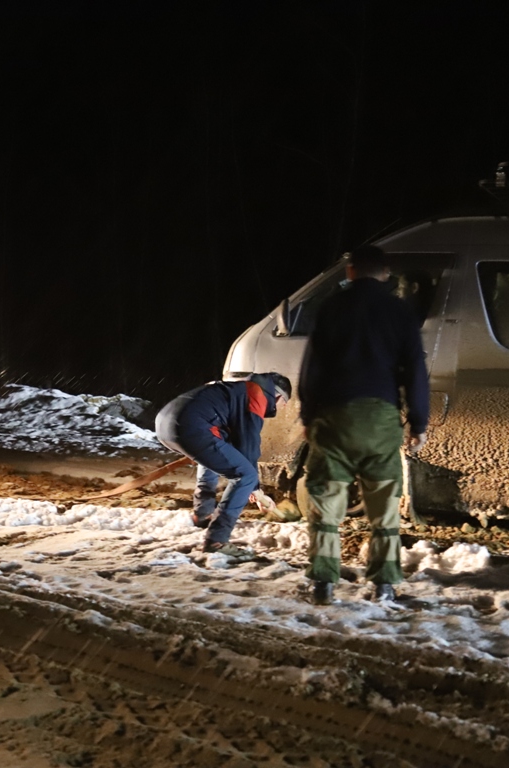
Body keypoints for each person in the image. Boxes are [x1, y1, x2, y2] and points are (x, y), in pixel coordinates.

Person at [297, 244, 429, 606]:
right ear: (385, 275)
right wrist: (418, 421)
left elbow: (312, 367)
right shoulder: (400, 312)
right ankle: (384, 582)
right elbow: (415, 370)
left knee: (326, 502)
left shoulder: (330, 307)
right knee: (384, 505)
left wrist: (308, 416)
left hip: (334, 416)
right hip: (380, 418)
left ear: (350, 272)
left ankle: (323, 581)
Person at [155, 373, 292, 557]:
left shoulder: (238, 389)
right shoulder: (257, 395)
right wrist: (256, 489)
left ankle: (202, 514)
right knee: (245, 475)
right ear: (277, 396)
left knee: (217, 452)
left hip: (165, 425)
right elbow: (249, 445)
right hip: (191, 426)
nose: (282, 409)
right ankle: (217, 540)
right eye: (284, 403)